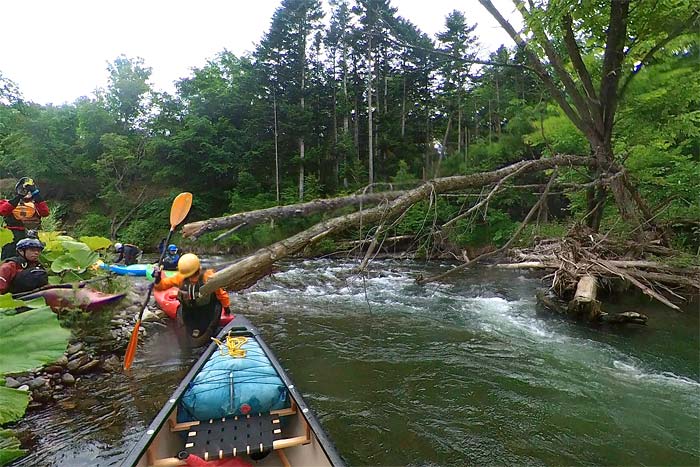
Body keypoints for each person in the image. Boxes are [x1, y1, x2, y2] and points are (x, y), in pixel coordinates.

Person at [153, 253, 231, 345]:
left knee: (205, 337)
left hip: (208, 310)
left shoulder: (208, 276)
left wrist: (226, 307)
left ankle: (211, 336)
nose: (190, 278)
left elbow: (221, 293)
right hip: (188, 311)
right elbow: (161, 286)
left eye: (192, 275)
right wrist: (158, 279)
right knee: (186, 339)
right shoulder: (180, 277)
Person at [0, 178, 49, 260]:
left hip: (32, 238)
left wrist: (36, 194)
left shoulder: (37, 204)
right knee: (9, 261)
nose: (27, 192)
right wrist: (19, 196)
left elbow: (45, 213)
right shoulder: (7, 202)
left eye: (29, 191)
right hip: (13, 237)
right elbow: (3, 211)